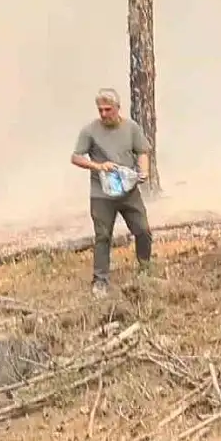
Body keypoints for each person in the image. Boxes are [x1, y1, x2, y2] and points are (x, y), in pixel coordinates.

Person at [70, 88, 153, 297]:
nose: (104, 114)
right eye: (100, 110)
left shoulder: (131, 128)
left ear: (118, 108)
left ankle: (145, 270)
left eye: (108, 109)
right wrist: (98, 166)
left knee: (143, 230)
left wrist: (144, 171)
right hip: (101, 194)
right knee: (103, 236)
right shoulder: (90, 131)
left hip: (128, 191)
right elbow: (76, 157)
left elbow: (142, 151)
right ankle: (100, 281)